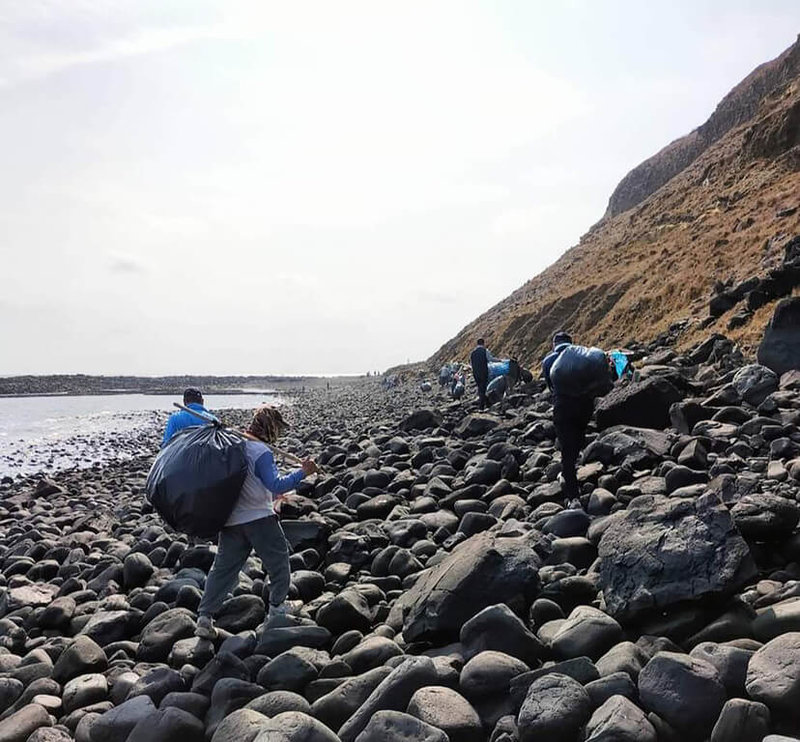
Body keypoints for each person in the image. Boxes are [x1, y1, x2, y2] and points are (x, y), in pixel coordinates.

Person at [195, 406, 319, 640]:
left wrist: (271, 496)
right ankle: (277, 609)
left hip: (232, 521)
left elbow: (247, 483)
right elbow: (276, 484)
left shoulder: (235, 445)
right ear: (271, 428)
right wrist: (303, 472)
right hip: (259, 520)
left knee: (223, 570)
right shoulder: (261, 450)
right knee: (279, 562)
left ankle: (204, 617)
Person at [542, 331, 623, 500]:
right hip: (585, 406)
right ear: (571, 342)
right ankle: (580, 461)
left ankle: (573, 498)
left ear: (554, 344)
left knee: (567, 453)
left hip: (564, 406)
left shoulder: (550, 360)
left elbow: (551, 386)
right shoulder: (583, 355)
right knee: (579, 435)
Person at [470, 338, 496, 410]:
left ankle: (486, 404)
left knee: (480, 388)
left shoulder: (472, 353)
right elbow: (490, 359)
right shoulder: (485, 351)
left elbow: (471, 364)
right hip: (483, 372)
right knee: (484, 388)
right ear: (483, 343)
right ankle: (481, 407)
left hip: (475, 373)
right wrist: (500, 360)